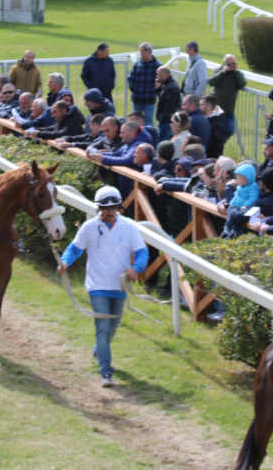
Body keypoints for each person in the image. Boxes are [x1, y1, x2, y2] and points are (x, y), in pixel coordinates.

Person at [58, 185, 148, 387]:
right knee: (102, 327)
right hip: (97, 285)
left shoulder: (129, 227)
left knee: (112, 328)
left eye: (112, 208)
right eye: (104, 208)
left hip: (119, 286)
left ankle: (99, 350)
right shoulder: (89, 227)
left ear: (118, 207)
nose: (108, 212)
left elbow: (142, 252)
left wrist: (136, 268)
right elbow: (74, 249)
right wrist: (65, 262)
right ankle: (105, 371)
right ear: (99, 208)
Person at [207, 54, 245, 137]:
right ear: (224, 64)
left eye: (233, 63)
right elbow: (211, 82)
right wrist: (223, 72)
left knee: (230, 130)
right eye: (229, 64)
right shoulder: (218, 70)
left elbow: (242, 84)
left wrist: (235, 72)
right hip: (215, 109)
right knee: (213, 131)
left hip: (228, 110)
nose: (231, 66)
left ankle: (220, 143)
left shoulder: (238, 74)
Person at [220, 163, 260, 238]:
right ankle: (227, 229)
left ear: (246, 178)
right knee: (231, 212)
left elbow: (253, 198)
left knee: (237, 216)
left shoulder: (253, 187)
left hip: (246, 207)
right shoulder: (240, 187)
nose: (237, 180)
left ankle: (231, 230)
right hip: (236, 205)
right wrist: (230, 204)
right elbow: (236, 197)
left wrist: (246, 205)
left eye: (239, 178)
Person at [127, 42, 160, 125]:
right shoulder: (137, 65)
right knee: (135, 122)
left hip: (149, 99)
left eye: (142, 52)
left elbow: (160, 82)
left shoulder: (157, 66)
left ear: (148, 52)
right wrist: (133, 89)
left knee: (148, 121)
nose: (140, 54)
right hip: (137, 99)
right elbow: (130, 78)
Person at [155, 65, 182, 142]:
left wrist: (163, 118)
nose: (157, 77)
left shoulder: (171, 87)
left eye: (158, 74)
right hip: (166, 119)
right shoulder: (167, 85)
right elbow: (163, 98)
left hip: (166, 121)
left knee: (163, 141)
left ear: (165, 75)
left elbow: (170, 106)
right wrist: (158, 89)